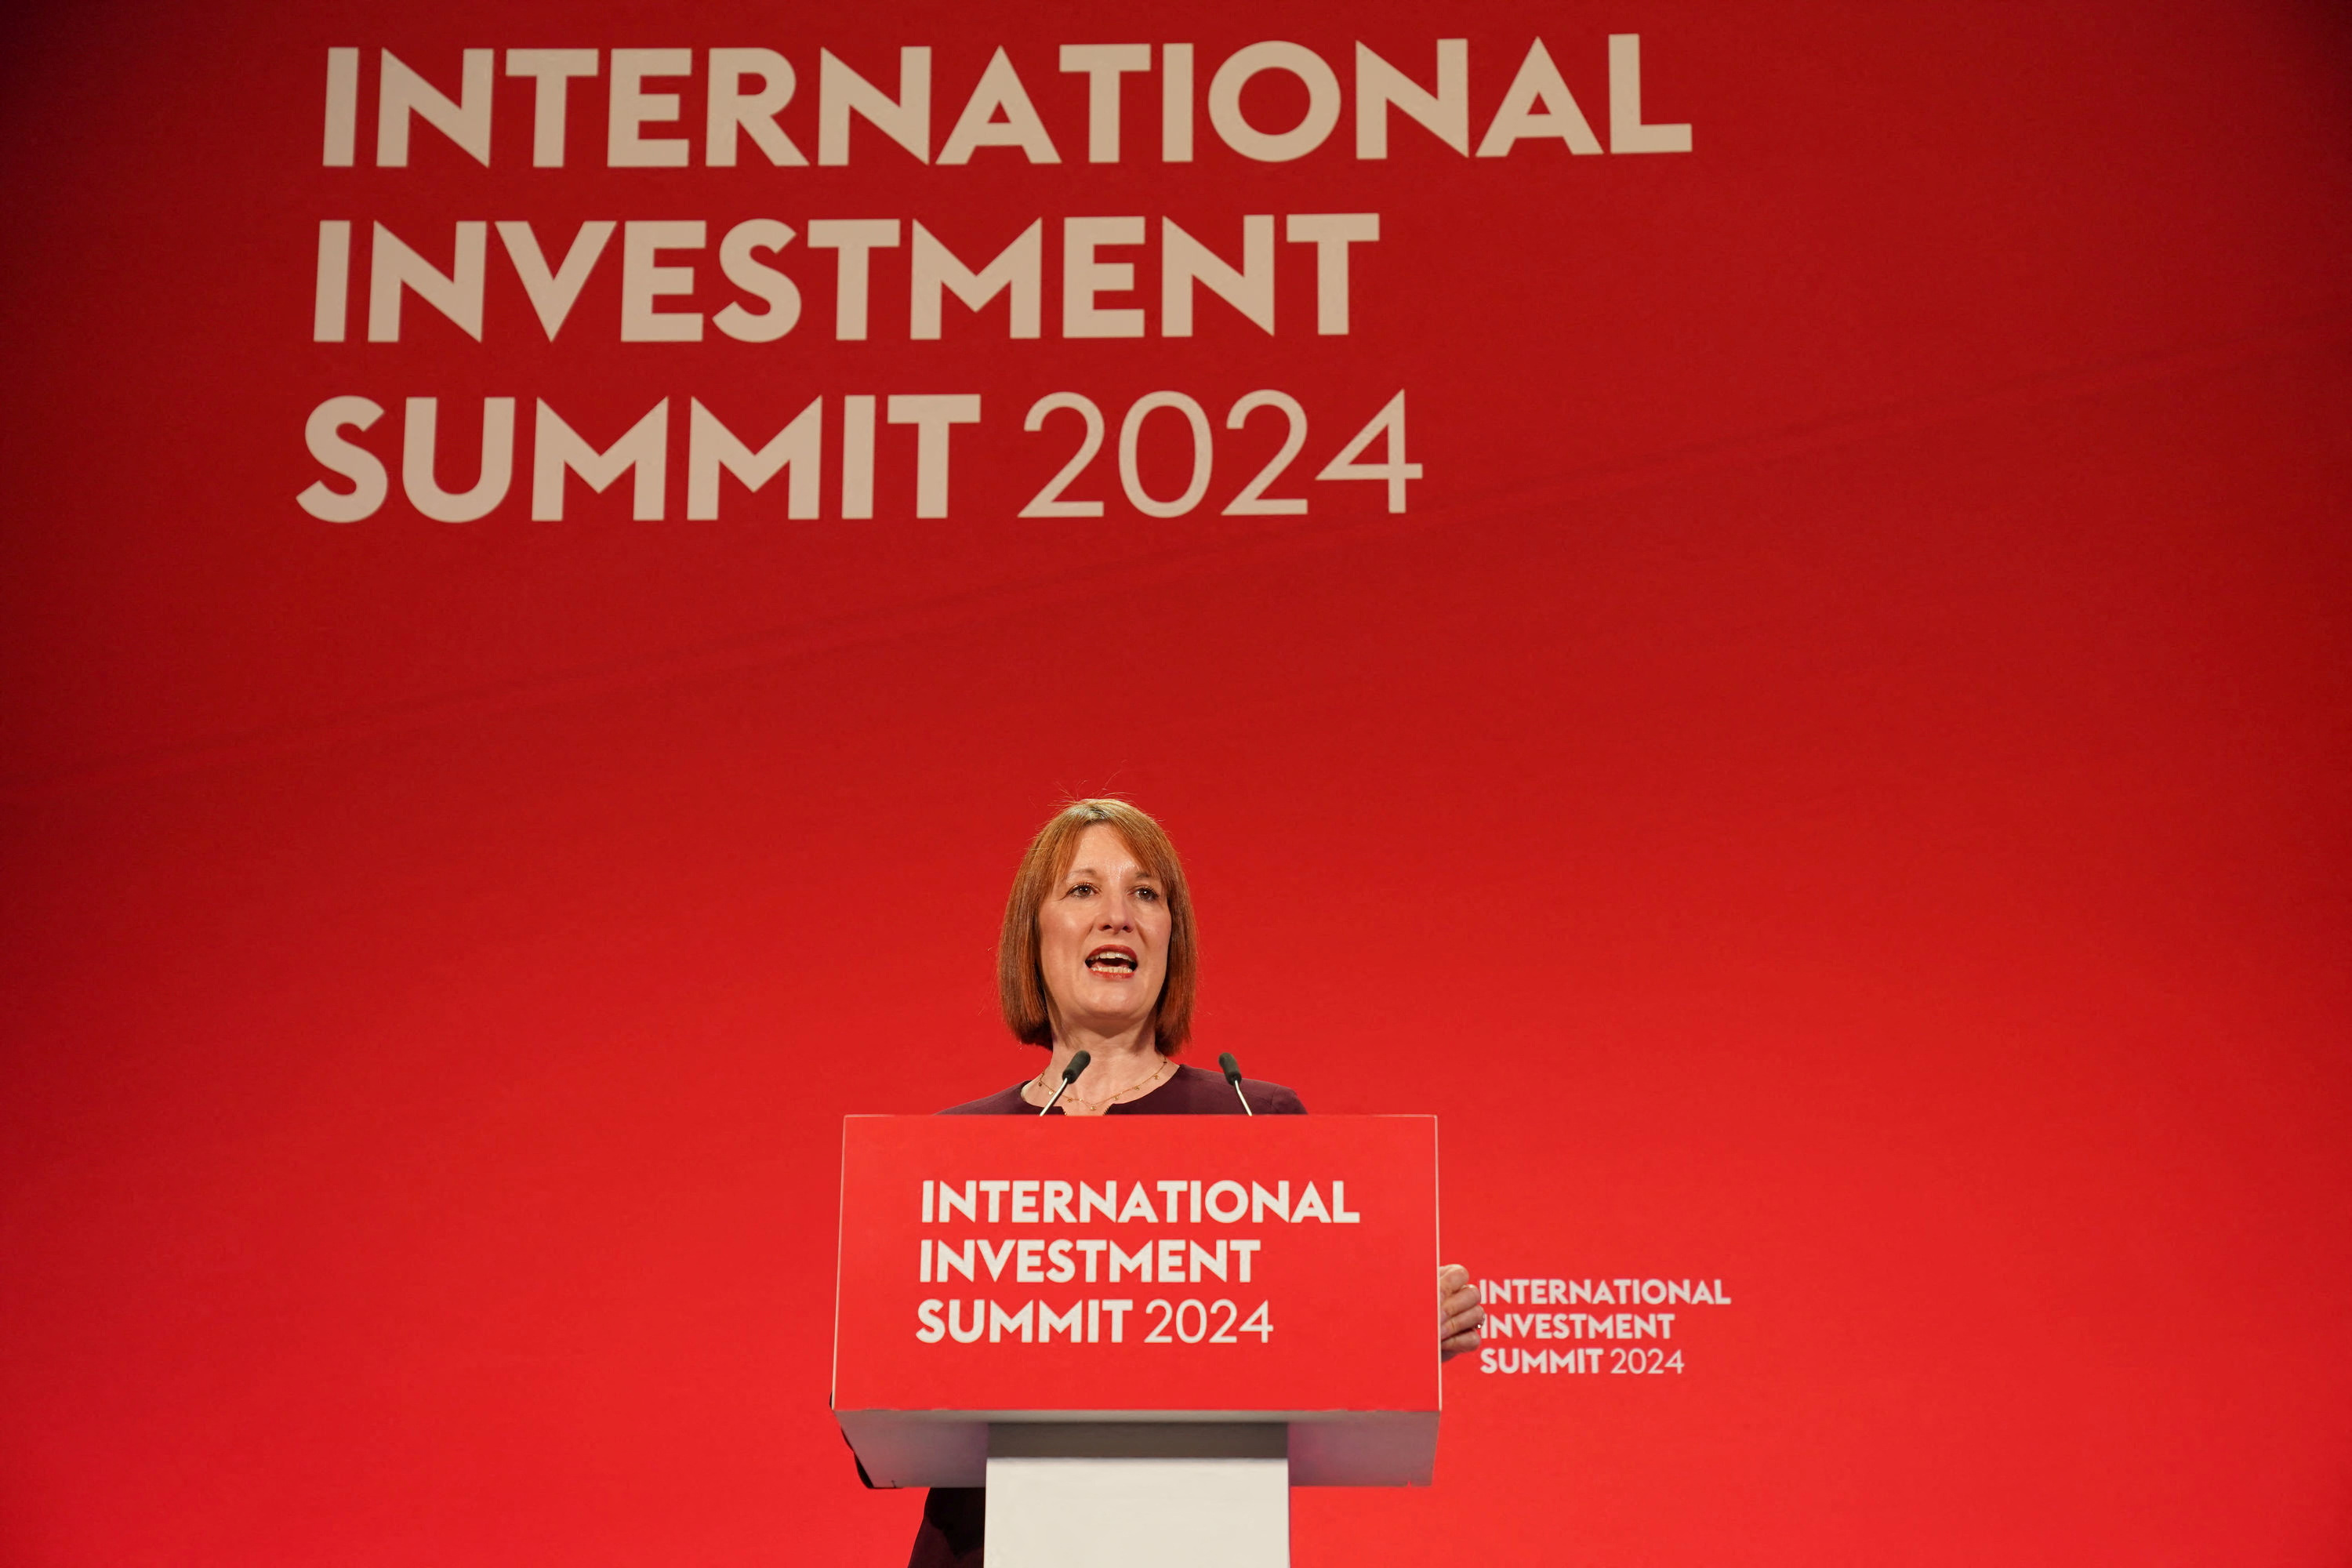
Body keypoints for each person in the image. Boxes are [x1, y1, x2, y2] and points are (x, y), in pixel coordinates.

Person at [906, 799, 1484, 1568]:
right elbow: (887, 1387)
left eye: (1145, 893)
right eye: (1083, 890)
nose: (1118, 916)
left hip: (1194, 1538)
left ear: (1171, 937)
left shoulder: (1252, 1121)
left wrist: (1386, 1337)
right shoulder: (956, 1153)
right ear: (1032, 934)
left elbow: (1297, 1347)